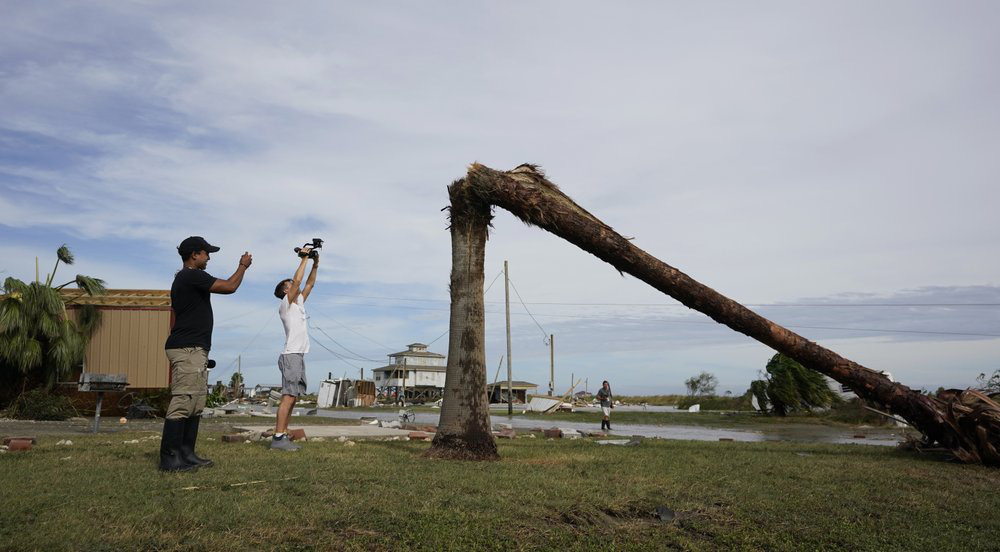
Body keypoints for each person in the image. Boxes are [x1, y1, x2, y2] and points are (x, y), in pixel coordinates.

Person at [159, 236, 252, 472]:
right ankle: (170, 459)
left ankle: (187, 454)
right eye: (206, 253)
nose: (209, 257)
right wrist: (243, 266)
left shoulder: (187, 277)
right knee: (183, 401)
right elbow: (230, 286)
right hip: (186, 348)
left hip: (195, 349)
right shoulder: (191, 275)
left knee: (196, 402)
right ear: (194, 255)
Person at [270, 244, 319, 450]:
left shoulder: (298, 303)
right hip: (290, 355)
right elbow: (299, 279)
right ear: (285, 290)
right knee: (288, 396)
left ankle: (284, 434)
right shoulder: (285, 304)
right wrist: (303, 258)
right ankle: (278, 437)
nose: (294, 284)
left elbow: (309, 283)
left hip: (298, 355)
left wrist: (315, 263)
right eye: (290, 283)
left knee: (294, 398)